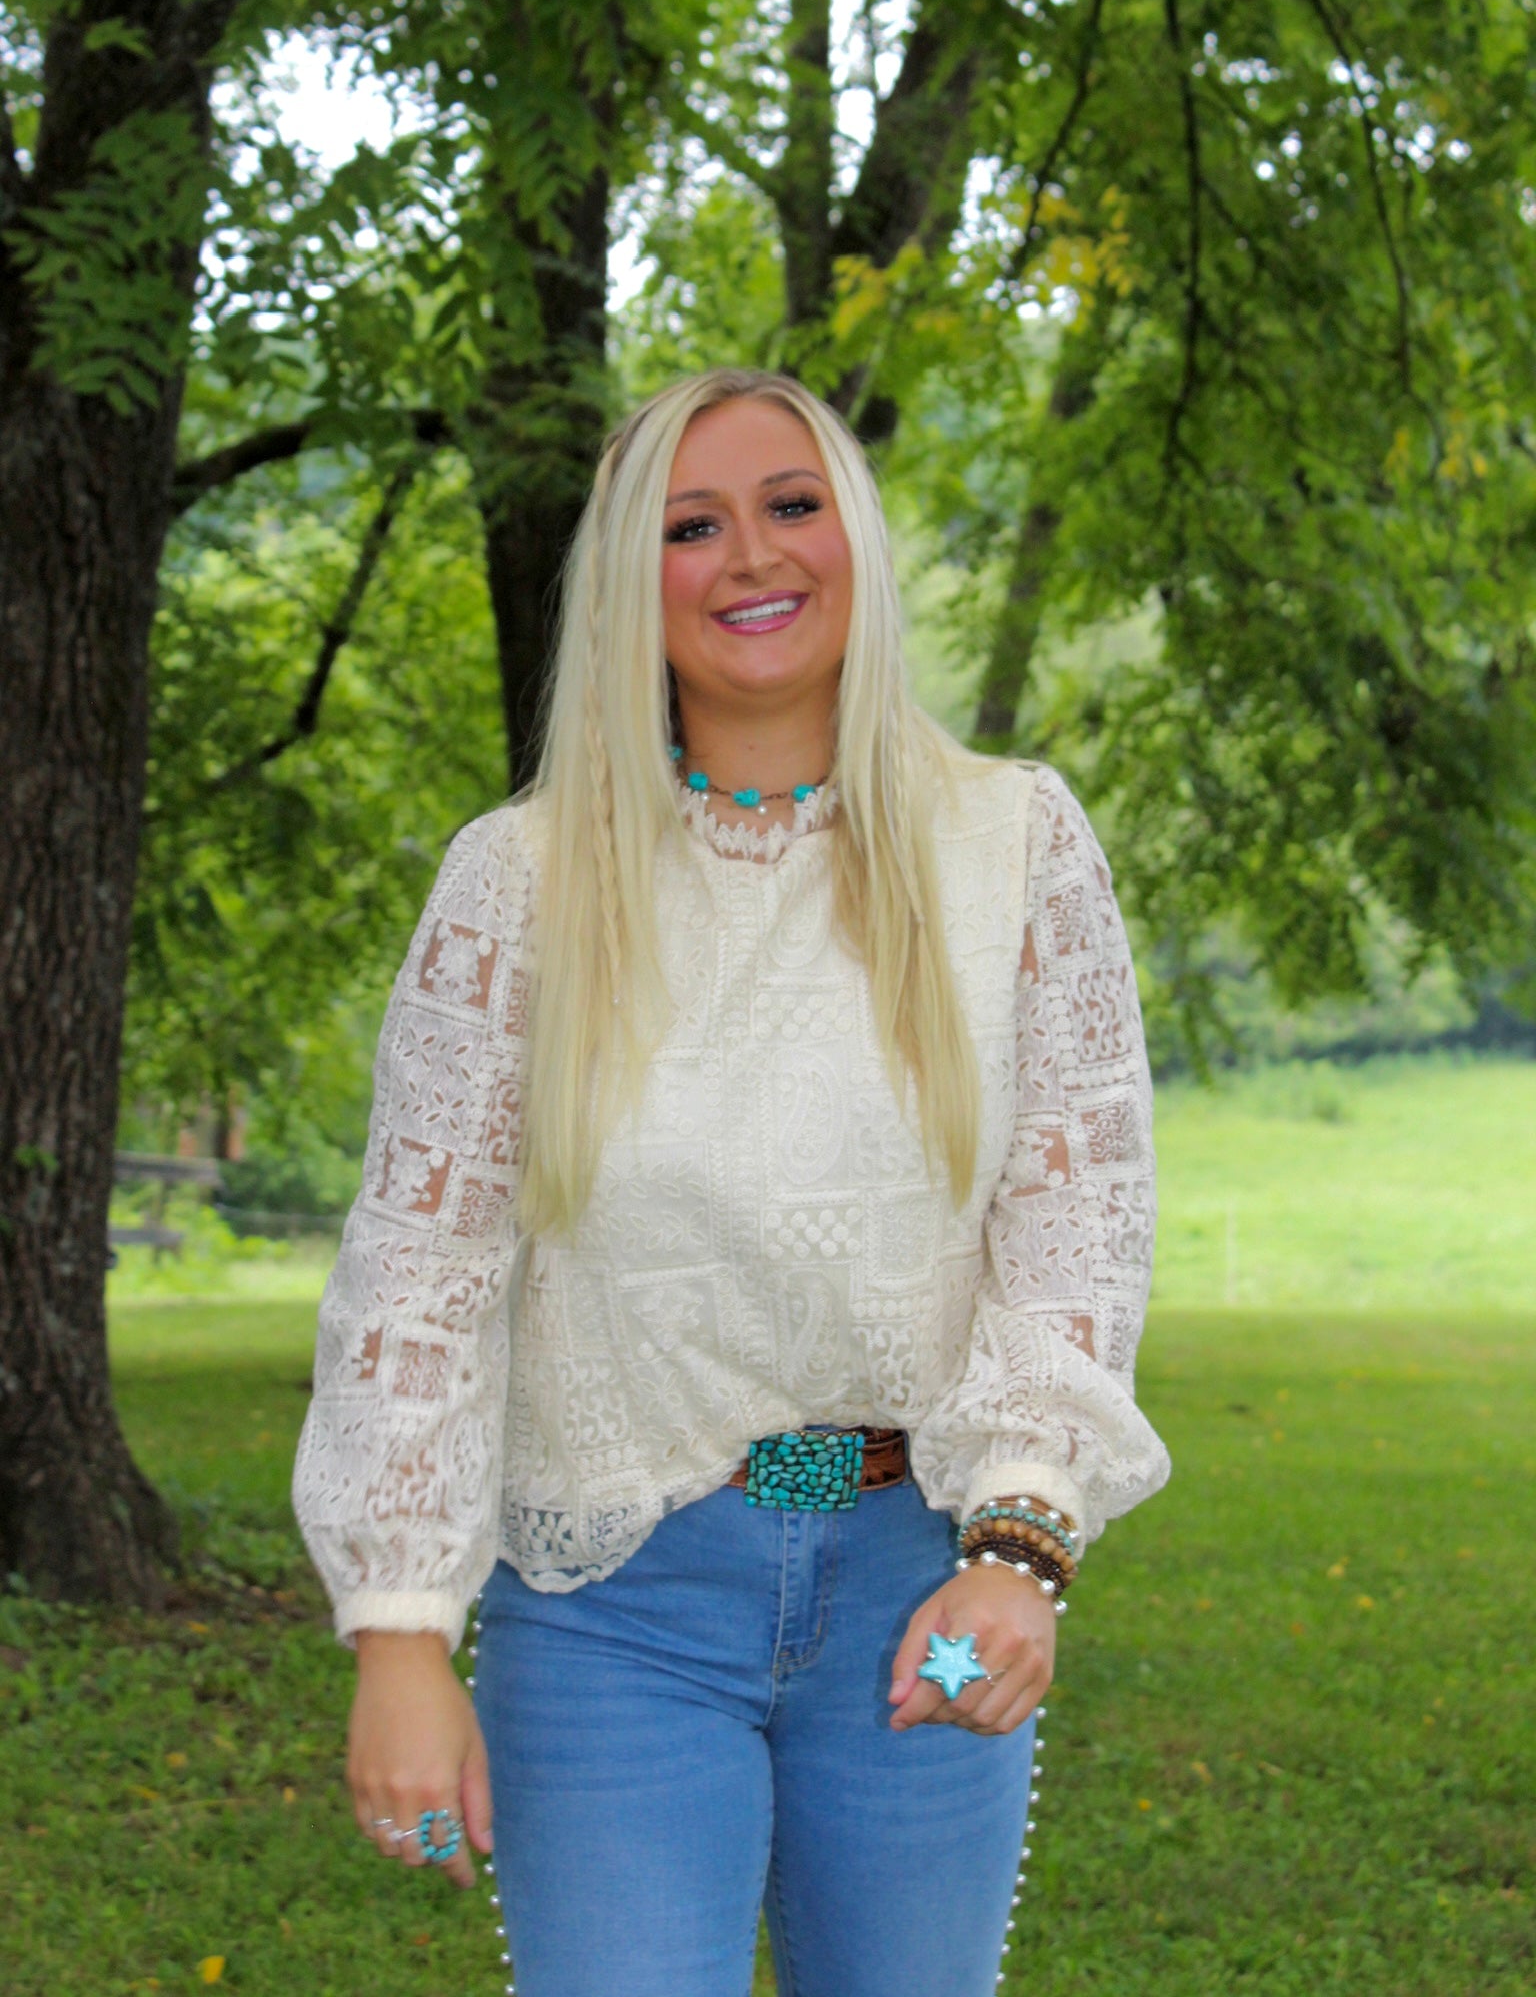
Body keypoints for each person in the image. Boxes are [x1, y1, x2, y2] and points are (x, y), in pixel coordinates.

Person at [293, 367, 1170, 1997]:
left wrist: (1021, 1545)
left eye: (790, 505)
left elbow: (1077, 1219)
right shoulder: (520, 882)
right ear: (632, 577)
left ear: (857, 539)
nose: (749, 557)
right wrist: (403, 1631)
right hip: (614, 1608)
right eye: (689, 526)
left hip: (927, 1576)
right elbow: (420, 1274)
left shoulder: (1017, 847)